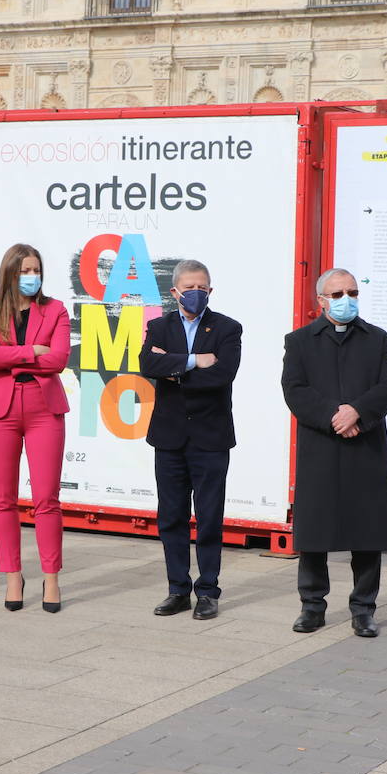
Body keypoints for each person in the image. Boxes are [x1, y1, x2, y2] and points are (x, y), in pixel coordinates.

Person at [281, 268, 387, 639]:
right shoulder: (299, 341)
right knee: (315, 530)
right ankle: (312, 605)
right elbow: (294, 389)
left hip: (364, 443)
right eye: (336, 294)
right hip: (322, 444)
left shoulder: (377, 339)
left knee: (366, 530)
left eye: (351, 292)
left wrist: (357, 412)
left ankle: (364, 608)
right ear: (321, 300)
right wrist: (335, 415)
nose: (345, 299)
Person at [139, 260, 243, 620]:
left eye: (203, 287)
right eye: (189, 287)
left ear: (210, 290)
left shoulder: (228, 328)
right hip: (169, 438)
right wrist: (196, 360)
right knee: (171, 517)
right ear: (175, 292)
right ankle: (177, 589)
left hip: (210, 439)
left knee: (210, 518)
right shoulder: (158, 326)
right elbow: (147, 367)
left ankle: (208, 591)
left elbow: (222, 376)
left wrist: (173, 367)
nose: (196, 292)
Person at [0, 243, 70, 612]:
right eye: (24, 271)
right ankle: (13, 576)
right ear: (9, 274)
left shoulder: (56, 309)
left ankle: (51, 577)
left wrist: (11, 355)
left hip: (45, 408)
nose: (31, 277)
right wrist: (33, 353)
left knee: (46, 498)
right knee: (2, 500)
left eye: (36, 270)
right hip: (0, 411)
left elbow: (59, 359)